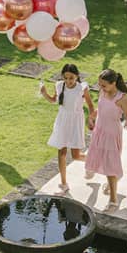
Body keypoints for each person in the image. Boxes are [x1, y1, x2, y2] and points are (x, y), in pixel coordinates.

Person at [84, 69, 127, 210]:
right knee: (102, 159)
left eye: (104, 85)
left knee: (110, 167)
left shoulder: (122, 98)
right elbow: (100, 109)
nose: (101, 88)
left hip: (111, 133)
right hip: (99, 130)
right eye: (100, 85)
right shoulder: (103, 92)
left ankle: (113, 201)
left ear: (113, 83)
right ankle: (108, 179)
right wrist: (91, 118)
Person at [39, 63, 94, 193]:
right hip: (62, 120)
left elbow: (91, 106)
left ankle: (91, 162)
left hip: (76, 121)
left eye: (71, 78)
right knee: (61, 152)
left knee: (75, 156)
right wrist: (44, 93)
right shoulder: (59, 85)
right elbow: (54, 100)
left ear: (77, 76)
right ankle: (64, 183)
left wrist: (91, 119)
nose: (68, 81)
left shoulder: (82, 88)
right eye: (66, 78)